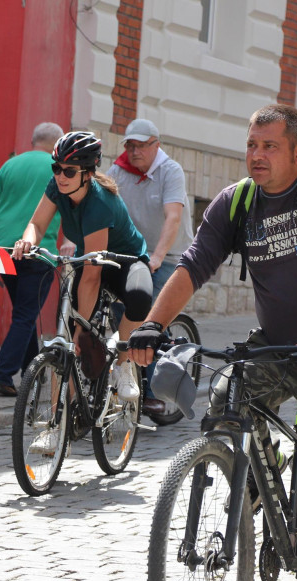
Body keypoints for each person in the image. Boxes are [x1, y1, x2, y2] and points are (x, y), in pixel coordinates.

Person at [126, 104, 297, 581]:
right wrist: (152, 324)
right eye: (251, 145)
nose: (256, 155)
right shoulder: (238, 202)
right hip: (278, 346)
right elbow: (196, 263)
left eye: (269, 146)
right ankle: (254, 478)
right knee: (226, 401)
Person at [11, 130, 151, 418]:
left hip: (124, 261)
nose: (61, 176)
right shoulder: (58, 187)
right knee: (65, 346)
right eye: (57, 168)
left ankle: (124, 366)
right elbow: (36, 224)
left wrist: (81, 328)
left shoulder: (99, 204)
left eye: (69, 171)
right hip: (90, 257)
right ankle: (56, 422)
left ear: (87, 173)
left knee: (138, 298)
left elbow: (92, 279)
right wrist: (27, 240)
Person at [108, 118, 191, 415]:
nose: (134, 151)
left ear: (156, 145)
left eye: (141, 145)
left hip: (167, 257)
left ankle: (153, 391)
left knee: (150, 319)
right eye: (130, 145)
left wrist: (157, 257)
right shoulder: (117, 171)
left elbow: (173, 218)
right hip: (132, 255)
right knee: (121, 313)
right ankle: (120, 379)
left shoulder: (171, 171)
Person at [0, 122, 66, 397]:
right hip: (37, 250)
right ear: (57, 145)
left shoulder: (9, 165)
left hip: (2, 247)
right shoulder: (58, 169)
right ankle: (3, 374)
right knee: (26, 314)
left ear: (33, 141)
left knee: (23, 312)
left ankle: (32, 368)